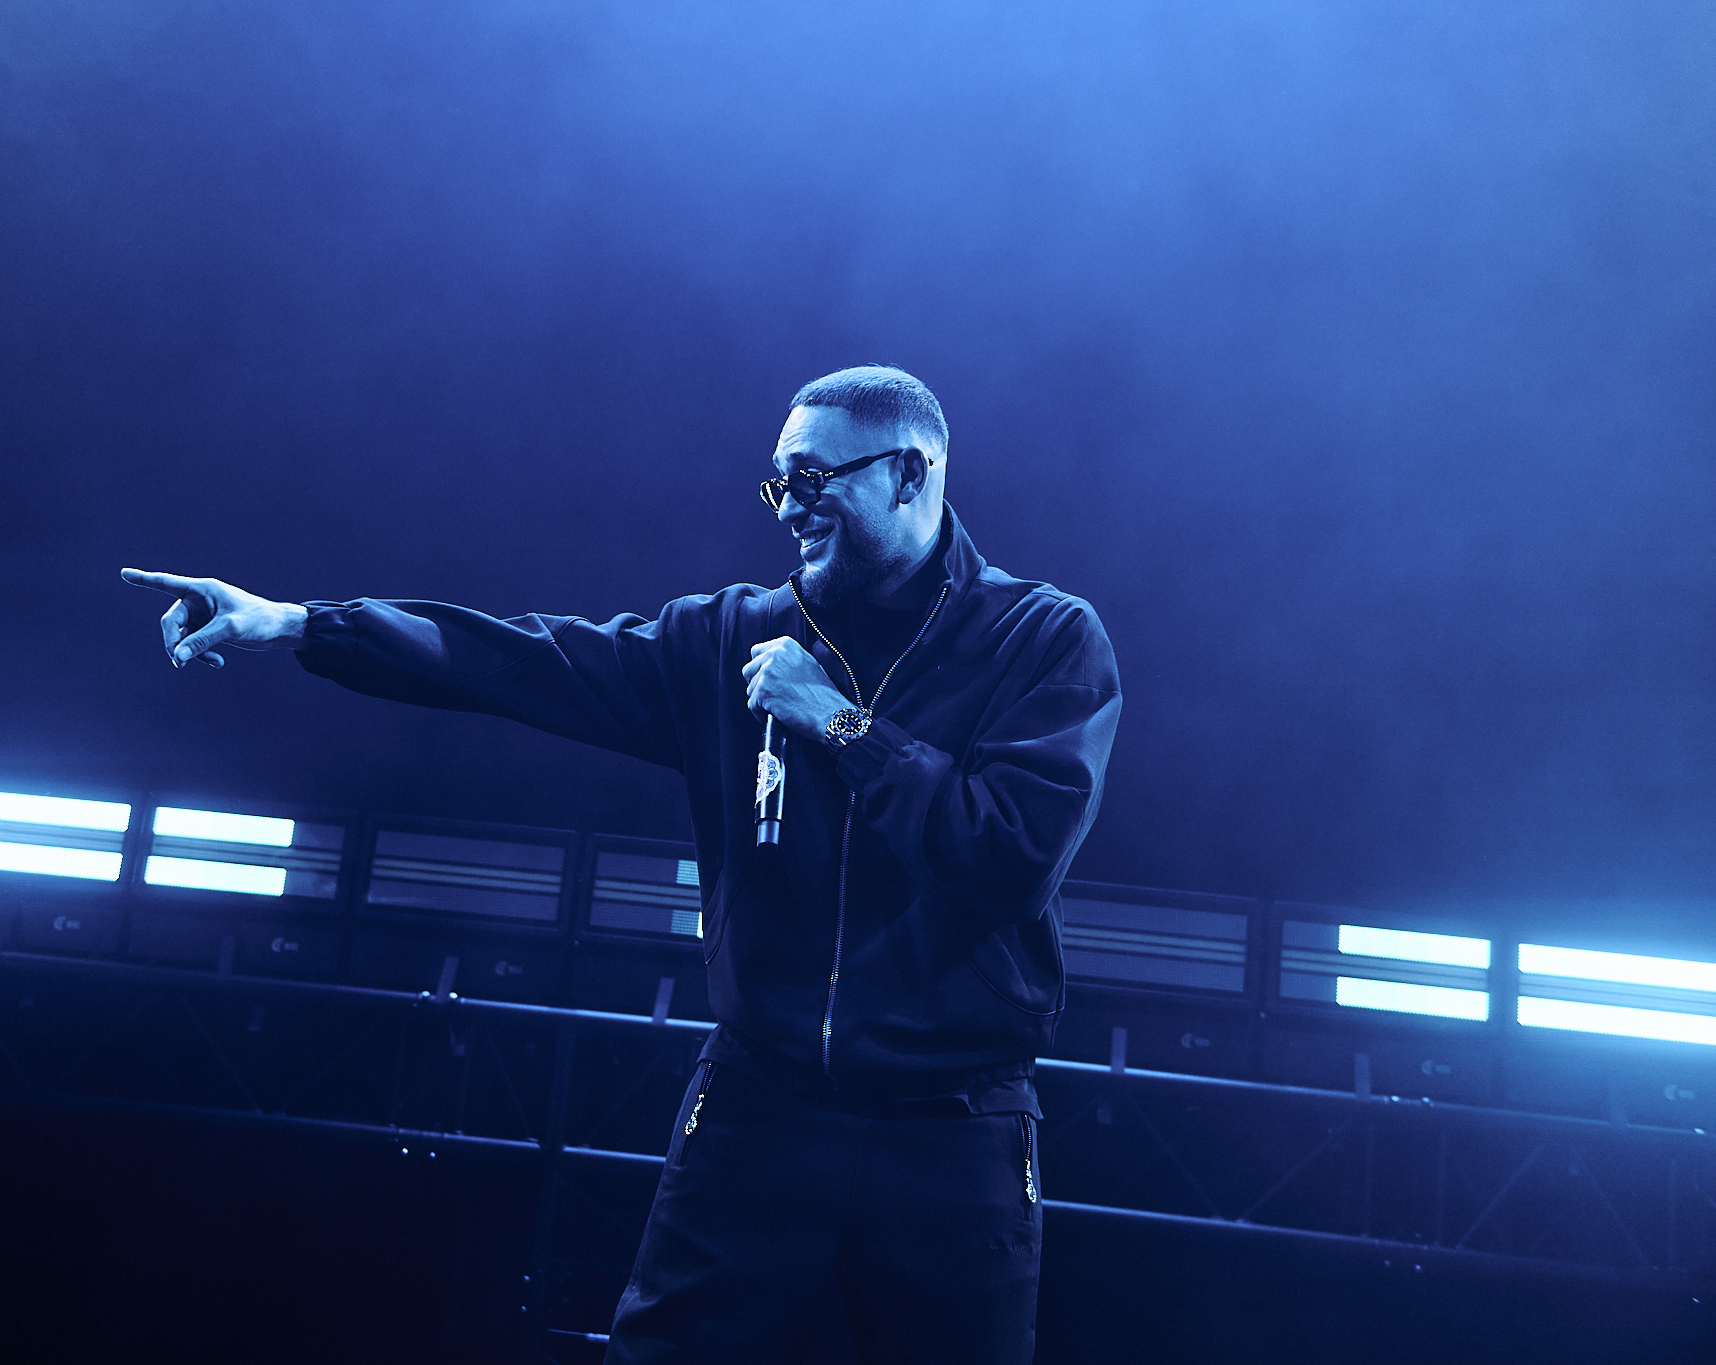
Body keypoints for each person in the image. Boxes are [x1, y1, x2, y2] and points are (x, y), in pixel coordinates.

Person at [122, 366, 1121, 1364]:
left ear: (910, 471)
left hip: (953, 1127)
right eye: (780, 484)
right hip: (758, 1104)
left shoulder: (1043, 640)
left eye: (815, 479)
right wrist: (302, 623)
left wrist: (840, 724)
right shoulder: (734, 636)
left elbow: (1009, 858)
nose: (790, 510)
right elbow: (526, 661)